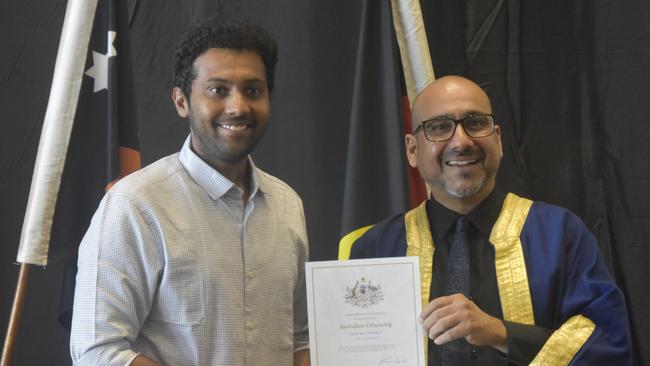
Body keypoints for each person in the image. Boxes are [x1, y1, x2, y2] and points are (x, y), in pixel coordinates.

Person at [70, 17, 310, 366]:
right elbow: (98, 352)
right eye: (218, 90)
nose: (238, 106)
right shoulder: (135, 205)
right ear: (181, 101)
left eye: (253, 90)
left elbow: (300, 338)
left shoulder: (289, 205)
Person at [344, 76, 632, 365]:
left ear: (498, 139)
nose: (461, 141)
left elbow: (608, 340)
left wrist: (503, 334)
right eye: (439, 127)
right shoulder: (375, 250)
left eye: (475, 123)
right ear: (412, 149)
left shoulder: (560, 235)